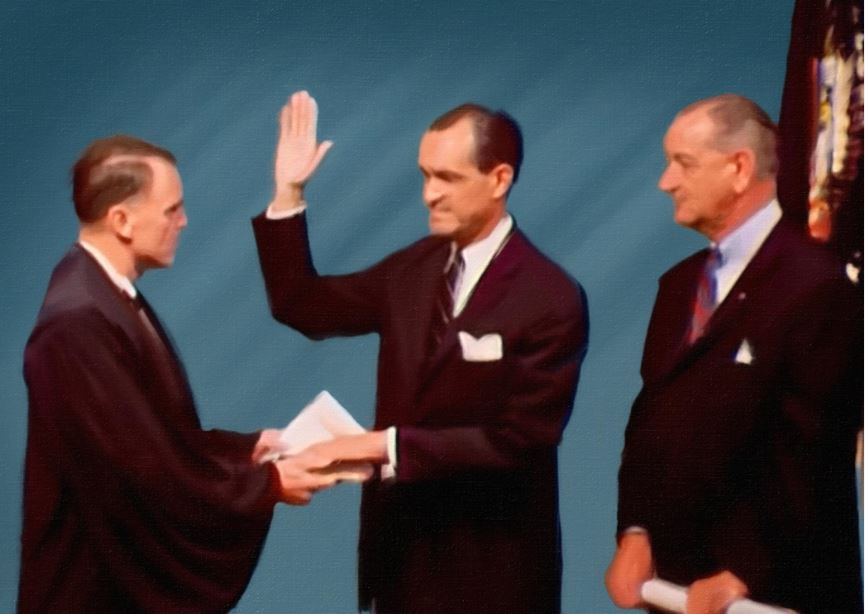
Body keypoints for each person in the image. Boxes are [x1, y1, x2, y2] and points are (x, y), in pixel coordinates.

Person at [252, 91, 588, 613]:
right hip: (401, 563)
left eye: (448, 178)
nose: (429, 194)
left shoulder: (551, 298)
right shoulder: (415, 267)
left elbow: (519, 441)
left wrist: (377, 446)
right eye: (425, 175)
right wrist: (288, 192)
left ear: (499, 179)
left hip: (494, 577)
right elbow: (305, 306)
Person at [18, 135, 355, 612]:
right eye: (172, 209)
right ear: (122, 220)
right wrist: (267, 484)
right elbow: (139, 472)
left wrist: (248, 450)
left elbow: (151, 439)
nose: (183, 221)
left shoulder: (102, 299)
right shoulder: (77, 322)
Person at [605, 94, 862, 614]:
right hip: (677, 590)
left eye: (683, 163)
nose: (666, 181)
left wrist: (744, 571)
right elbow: (649, 421)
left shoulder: (818, 286)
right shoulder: (678, 287)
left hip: (772, 594)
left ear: (739, 167)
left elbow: (816, 448)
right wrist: (635, 530)